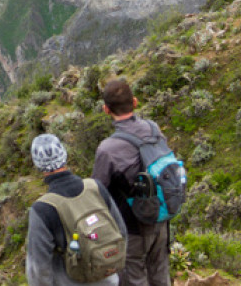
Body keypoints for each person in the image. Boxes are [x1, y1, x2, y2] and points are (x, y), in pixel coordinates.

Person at [92, 79, 172, 286]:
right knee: (161, 275)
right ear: (135, 102)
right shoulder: (154, 130)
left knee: (134, 279)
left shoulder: (107, 149)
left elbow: (97, 191)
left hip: (132, 227)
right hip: (161, 218)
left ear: (106, 109)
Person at [26, 133, 126, 286]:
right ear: (64, 155)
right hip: (108, 279)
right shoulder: (96, 187)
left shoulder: (42, 209)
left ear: (37, 165)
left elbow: (38, 268)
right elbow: (121, 232)